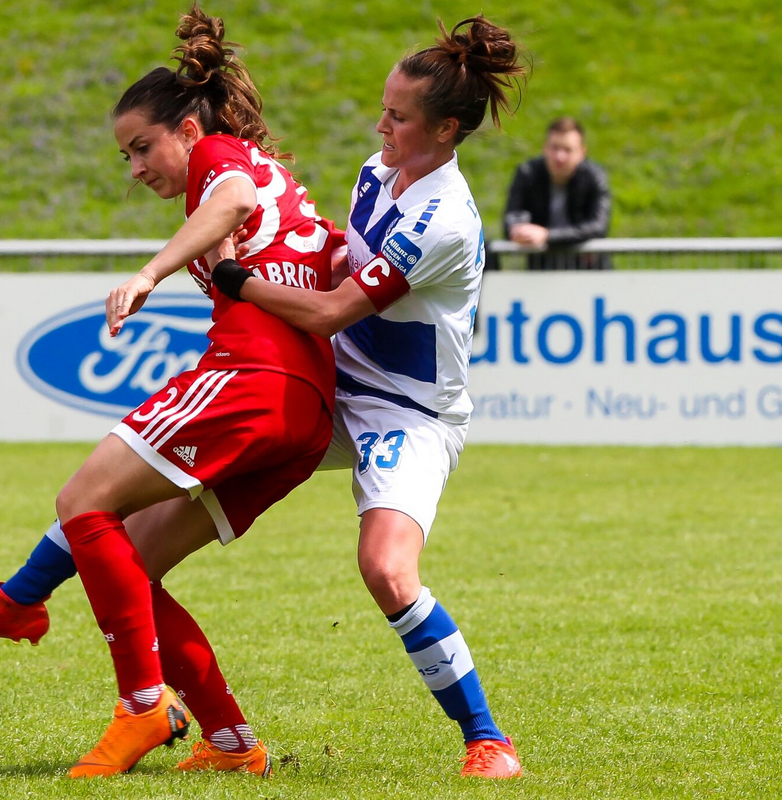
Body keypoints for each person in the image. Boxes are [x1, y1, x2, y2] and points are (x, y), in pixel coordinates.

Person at [0, 6, 337, 779]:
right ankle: (233, 745)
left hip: (251, 379)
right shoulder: (280, 181)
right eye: (126, 155)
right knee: (131, 559)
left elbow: (229, 200)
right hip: (304, 415)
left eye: (142, 147)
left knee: (83, 500)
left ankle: (139, 705)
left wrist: (149, 273)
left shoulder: (221, 157)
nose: (135, 167)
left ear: (189, 131)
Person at [209, 15, 526, 779]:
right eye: (383, 108)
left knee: (387, 571)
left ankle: (489, 741)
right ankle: (192, 720)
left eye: (398, 116)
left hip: (409, 413)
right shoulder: (377, 172)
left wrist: (231, 276)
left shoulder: (443, 219)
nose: (379, 125)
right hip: (335, 377)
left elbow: (330, 309)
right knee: (166, 494)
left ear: (447, 129)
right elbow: (331, 259)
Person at [503, 116, 612, 269]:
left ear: (582, 152)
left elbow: (599, 226)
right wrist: (518, 231)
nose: (560, 157)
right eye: (554, 148)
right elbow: (510, 219)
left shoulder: (594, 176)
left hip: (588, 272)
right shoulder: (527, 173)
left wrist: (547, 236)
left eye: (567, 150)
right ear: (545, 148)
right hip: (541, 271)